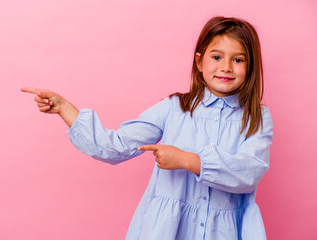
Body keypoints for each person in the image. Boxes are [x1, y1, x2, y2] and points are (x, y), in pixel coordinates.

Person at [22, 16, 273, 240]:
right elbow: (116, 146)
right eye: (216, 57)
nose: (226, 67)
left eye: (238, 59)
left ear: (250, 66)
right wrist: (65, 109)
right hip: (168, 230)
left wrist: (187, 160)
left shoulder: (257, 118)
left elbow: (249, 172)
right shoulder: (175, 108)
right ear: (199, 61)